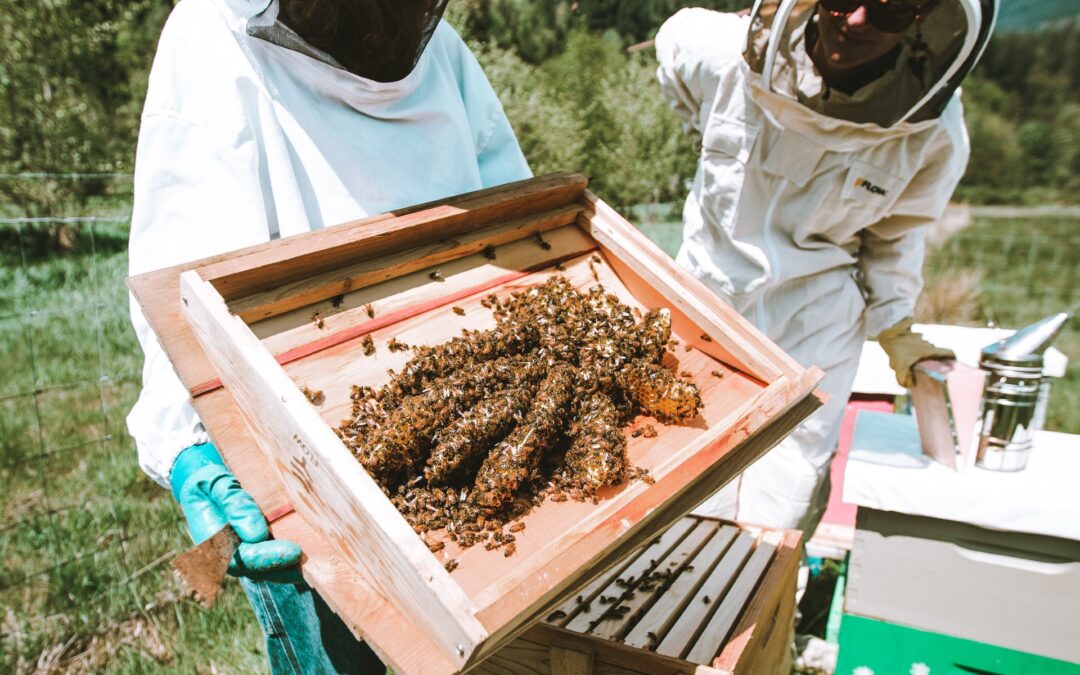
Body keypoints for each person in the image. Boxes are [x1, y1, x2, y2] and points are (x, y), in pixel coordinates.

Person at [126, 0, 531, 671]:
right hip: (311, 488)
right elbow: (181, 275)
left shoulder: (445, 54)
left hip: (480, 449)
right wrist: (191, 445)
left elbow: (514, 213)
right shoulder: (210, 38)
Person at [656, 0, 997, 535]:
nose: (857, 19)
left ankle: (759, 614)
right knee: (681, 490)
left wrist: (896, 324)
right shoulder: (720, 52)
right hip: (704, 306)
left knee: (779, 505)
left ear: (922, 18)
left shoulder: (933, 131)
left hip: (814, 326)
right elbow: (672, 52)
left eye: (891, 7)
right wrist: (698, 130)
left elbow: (896, 233)